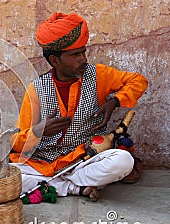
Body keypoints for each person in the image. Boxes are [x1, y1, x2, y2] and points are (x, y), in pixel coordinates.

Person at [10, 12, 148, 201]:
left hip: (84, 158)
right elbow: (17, 142)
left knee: (123, 161)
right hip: (43, 161)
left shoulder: (99, 75)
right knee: (11, 176)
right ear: (55, 60)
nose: (83, 59)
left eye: (83, 52)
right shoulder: (36, 90)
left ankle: (57, 184)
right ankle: (76, 187)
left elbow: (138, 81)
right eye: (75, 55)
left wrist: (115, 101)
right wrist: (40, 131)